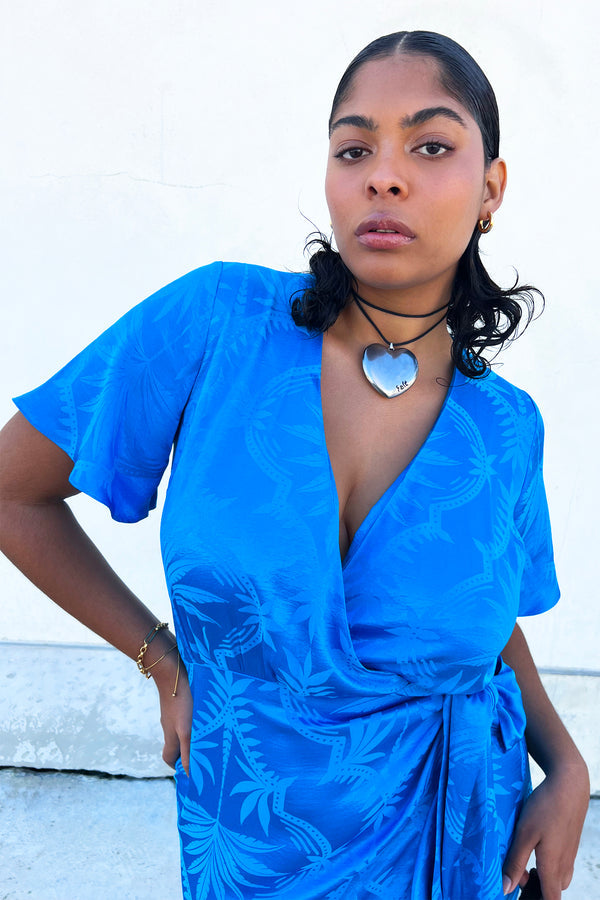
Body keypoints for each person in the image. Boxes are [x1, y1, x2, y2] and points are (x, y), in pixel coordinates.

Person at [0, 29, 590, 900]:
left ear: (491, 189)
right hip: (250, 838)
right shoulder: (219, 325)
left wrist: (566, 763)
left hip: (453, 842)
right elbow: (13, 493)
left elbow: (484, 620)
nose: (384, 176)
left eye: (430, 146)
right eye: (355, 148)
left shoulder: (506, 427)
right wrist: (157, 657)